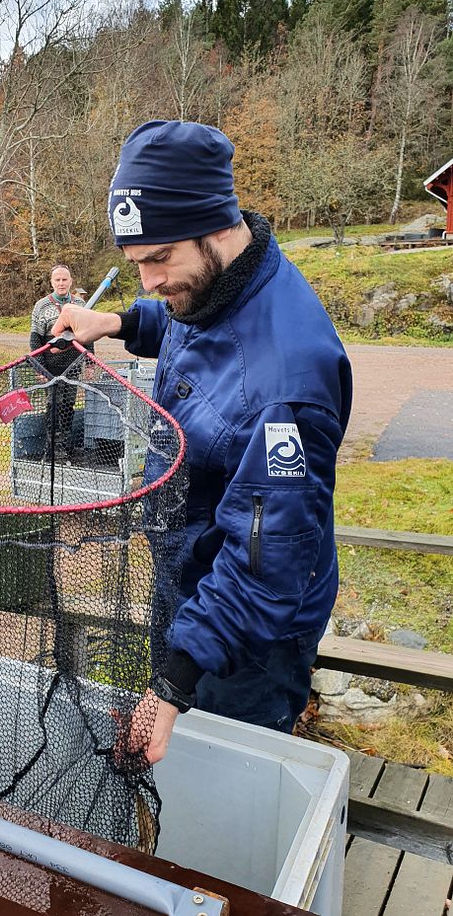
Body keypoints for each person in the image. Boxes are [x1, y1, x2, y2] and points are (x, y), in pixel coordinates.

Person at [52, 120, 352, 762]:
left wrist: (173, 685)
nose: (150, 282)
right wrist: (114, 321)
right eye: (136, 265)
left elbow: (265, 570)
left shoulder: (288, 384)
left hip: (248, 635)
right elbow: (186, 323)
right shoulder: (216, 284)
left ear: (217, 225)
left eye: (159, 260)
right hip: (191, 587)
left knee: (226, 776)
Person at [29, 265, 90, 461]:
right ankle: (52, 447)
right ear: (52, 282)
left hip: (73, 365)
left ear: (71, 281)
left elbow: (89, 336)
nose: (61, 283)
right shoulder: (41, 306)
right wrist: (39, 367)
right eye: (57, 280)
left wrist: (90, 363)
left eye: (65, 279)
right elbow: (35, 339)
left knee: (68, 405)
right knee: (53, 406)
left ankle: (65, 445)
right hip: (50, 367)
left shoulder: (80, 304)